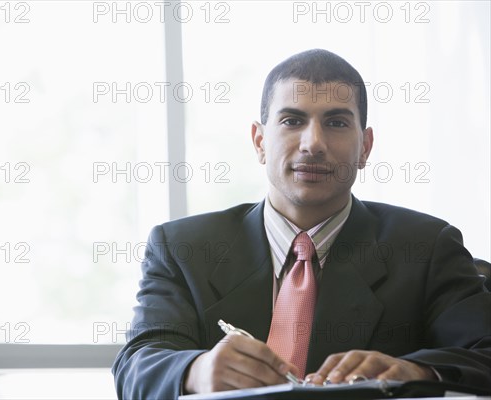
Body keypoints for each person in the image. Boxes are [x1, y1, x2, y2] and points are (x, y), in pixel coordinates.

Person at [112, 49, 491, 399]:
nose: (313, 143)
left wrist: (417, 371)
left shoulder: (426, 247)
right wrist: (195, 370)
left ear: (365, 148)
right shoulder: (182, 246)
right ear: (259, 141)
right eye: (292, 120)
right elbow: (137, 364)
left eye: (337, 122)